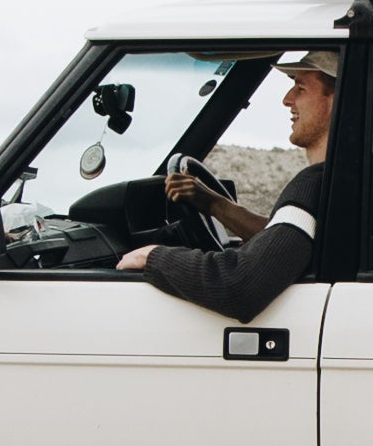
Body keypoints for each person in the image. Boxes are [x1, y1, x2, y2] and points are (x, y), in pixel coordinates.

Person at [119, 50, 336, 319]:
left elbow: (239, 287)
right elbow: (283, 241)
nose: (287, 99)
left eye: (300, 88)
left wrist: (153, 257)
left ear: (338, 100)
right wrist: (212, 203)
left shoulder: (317, 185)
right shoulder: (355, 180)